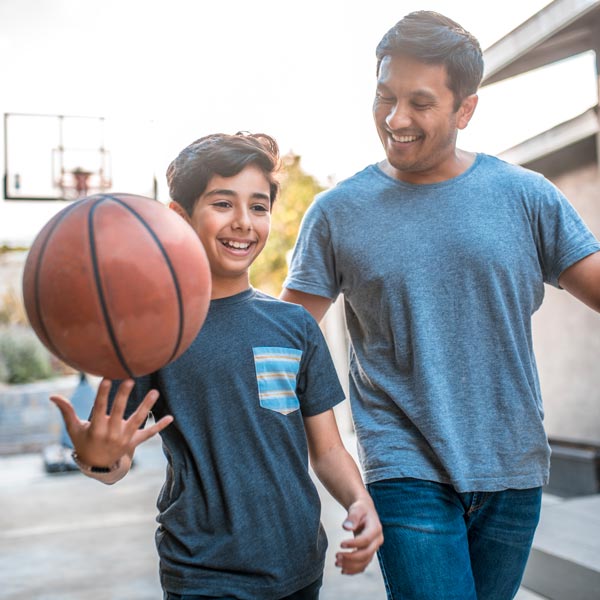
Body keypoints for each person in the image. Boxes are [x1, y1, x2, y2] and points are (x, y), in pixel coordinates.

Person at [281, 10, 600, 600]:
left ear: (465, 109)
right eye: (384, 97)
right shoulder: (336, 213)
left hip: (513, 467)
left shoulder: (527, 198)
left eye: (419, 103)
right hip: (404, 468)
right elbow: (283, 345)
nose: (395, 119)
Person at [50, 131, 383, 600]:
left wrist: (359, 500)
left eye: (259, 206)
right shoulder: (151, 333)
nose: (244, 222)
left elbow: (326, 451)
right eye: (223, 204)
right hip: (203, 572)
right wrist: (95, 455)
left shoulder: (294, 325)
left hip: (299, 566)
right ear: (179, 218)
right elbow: (116, 459)